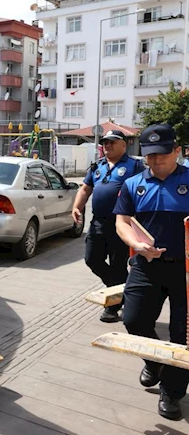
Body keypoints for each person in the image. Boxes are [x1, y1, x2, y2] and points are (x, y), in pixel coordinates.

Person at [114, 123, 189, 421]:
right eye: (150, 155)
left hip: (185, 270)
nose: (156, 161)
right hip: (146, 265)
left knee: (182, 333)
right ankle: (154, 360)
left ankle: (172, 392)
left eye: (162, 154)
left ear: (177, 151)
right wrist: (135, 244)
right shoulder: (134, 184)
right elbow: (121, 221)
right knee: (133, 319)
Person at [71, 129, 145, 322]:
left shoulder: (134, 166)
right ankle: (120, 288)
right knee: (91, 259)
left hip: (121, 223)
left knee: (118, 264)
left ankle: (112, 307)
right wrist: (76, 206)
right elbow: (86, 189)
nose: (107, 145)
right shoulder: (98, 166)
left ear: (124, 144)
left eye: (112, 142)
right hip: (98, 222)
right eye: (105, 142)